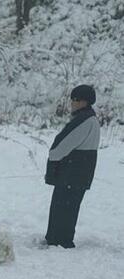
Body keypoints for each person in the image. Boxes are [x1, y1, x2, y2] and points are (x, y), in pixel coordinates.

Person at [44, 84, 100, 248]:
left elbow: (58, 149)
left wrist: (53, 157)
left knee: (62, 208)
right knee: (69, 208)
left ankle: (58, 241)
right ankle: (61, 239)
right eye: (72, 99)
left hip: (72, 173)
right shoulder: (91, 119)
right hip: (80, 173)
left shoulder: (83, 121)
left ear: (84, 102)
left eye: (76, 100)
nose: (72, 103)